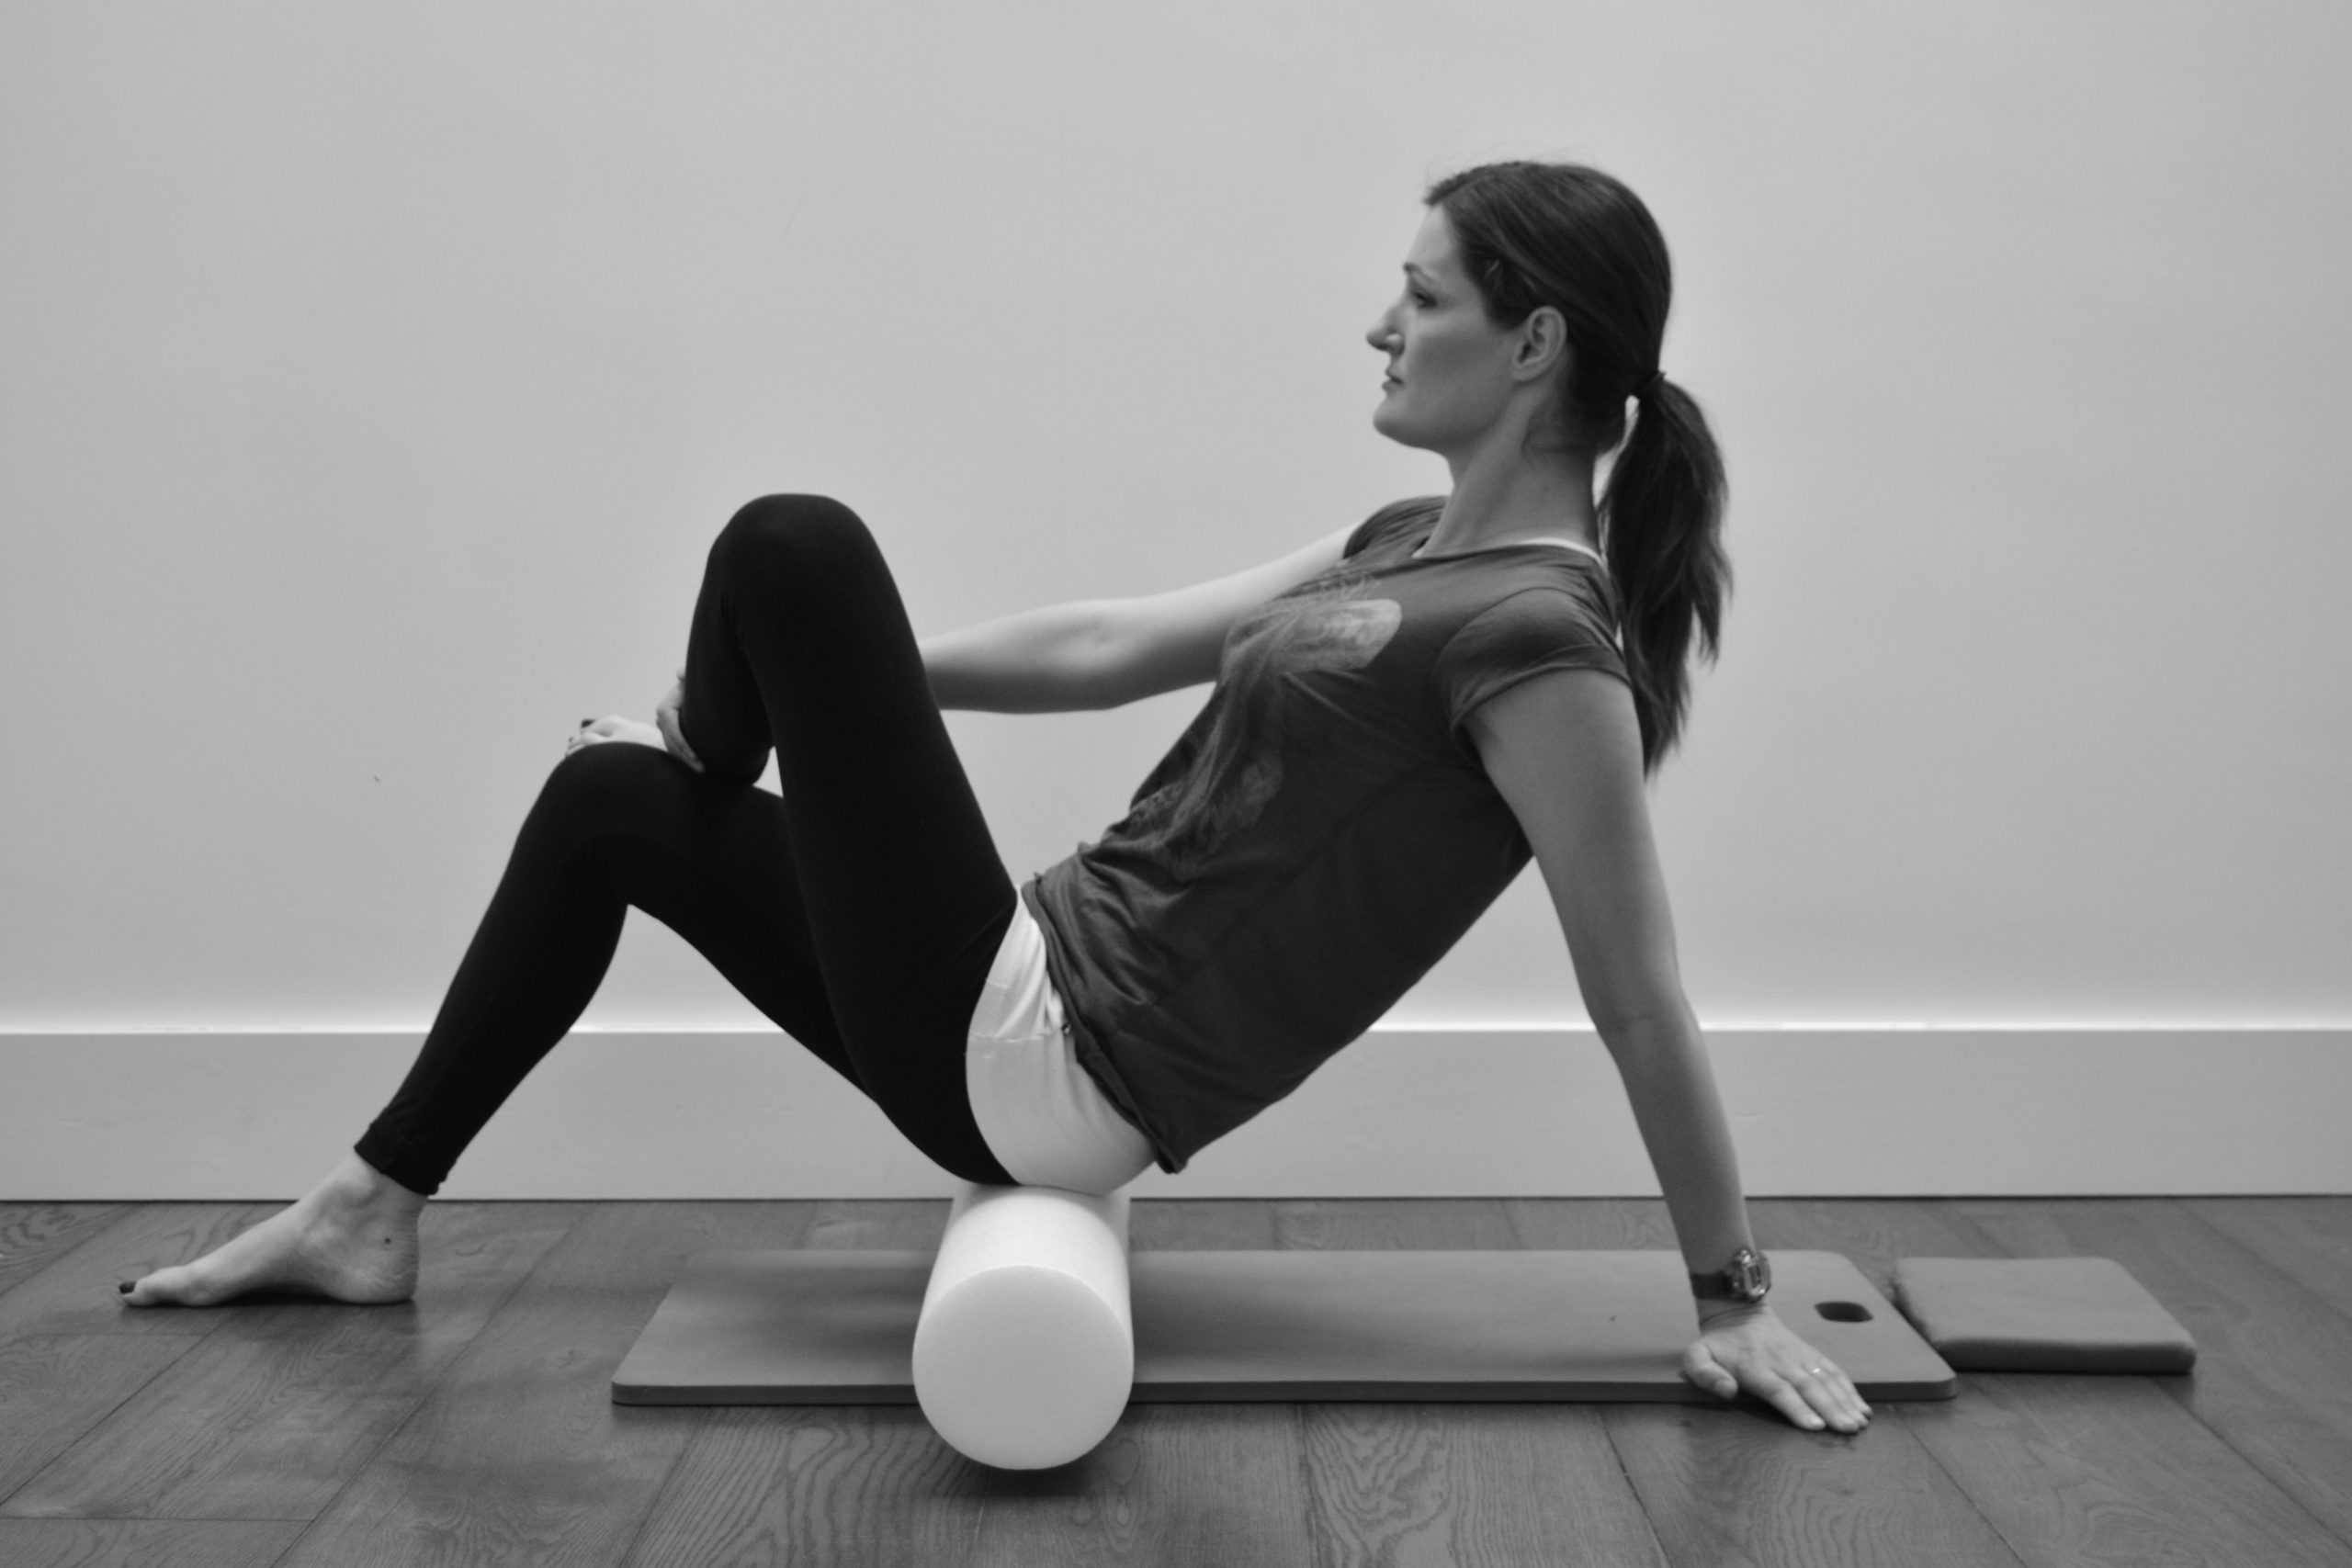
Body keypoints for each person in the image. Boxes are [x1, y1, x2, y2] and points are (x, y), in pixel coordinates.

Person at [121, 160, 1871, 1435]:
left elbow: (1638, 998)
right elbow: (1108, 647)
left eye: (1422, 297)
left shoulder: (1544, 642)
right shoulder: (1407, 541)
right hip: (1015, 979)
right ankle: (367, 1211)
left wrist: (1732, 1298)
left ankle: (709, 742)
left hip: (1061, 1070)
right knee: (608, 804)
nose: (1379, 324)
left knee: (790, 544)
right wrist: (841, 687)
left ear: (1536, 340)